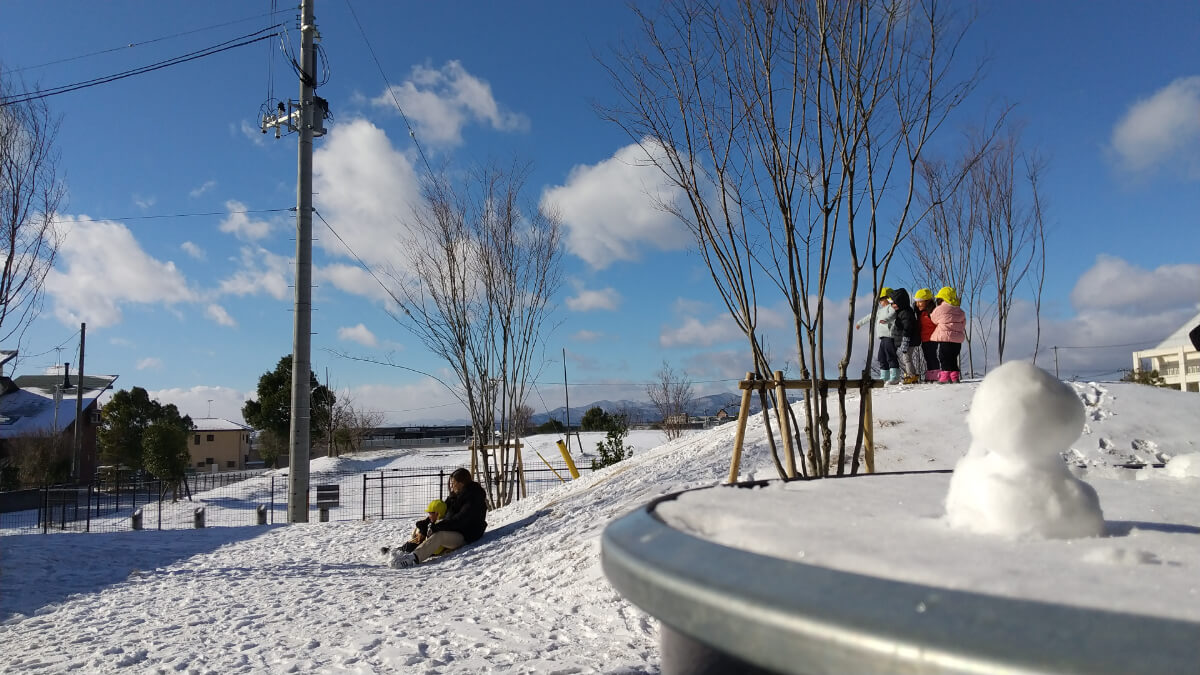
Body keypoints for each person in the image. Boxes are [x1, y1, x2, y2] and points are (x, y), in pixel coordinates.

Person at [389, 467, 488, 569]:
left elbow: (460, 520)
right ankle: (405, 550)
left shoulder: (474, 498)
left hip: (466, 534)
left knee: (439, 536)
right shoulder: (456, 495)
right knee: (423, 529)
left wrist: (437, 526)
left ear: (461, 483)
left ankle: (413, 558)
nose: (452, 486)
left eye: (453, 483)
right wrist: (426, 523)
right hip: (454, 528)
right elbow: (442, 510)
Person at [855, 287, 897, 382]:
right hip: (882, 338)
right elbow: (870, 316)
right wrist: (860, 323)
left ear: (888, 298)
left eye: (882, 299)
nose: (880, 302)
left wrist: (886, 320)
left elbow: (892, 315)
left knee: (890, 356)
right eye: (879, 300)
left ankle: (894, 376)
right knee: (881, 357)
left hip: (889, 336)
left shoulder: (892, 307)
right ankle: (884, 377)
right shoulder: (880, 310)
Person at [380, 499, 448, 557]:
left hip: (428, 549)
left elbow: (431, 541)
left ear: (436, 513)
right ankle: (399, 550)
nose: (429, 516)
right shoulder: (434, 521)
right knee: (414, 540)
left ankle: (399, 552)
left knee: (414, 543)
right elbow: (422, 524)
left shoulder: (439, 525)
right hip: (425, 546)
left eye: (430, 513)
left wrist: (423, 535)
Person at [930, 286, 967, 383]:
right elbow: (963, 323)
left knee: (944, 357)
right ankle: (954, 377)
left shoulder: (940, 309)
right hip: (957, 340)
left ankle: (945, 377)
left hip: (945, 339)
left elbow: (933, 319)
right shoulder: (959, 310)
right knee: (953, 358)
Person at [889, 288, 922, 385]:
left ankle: (911, 375)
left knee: (907, 358)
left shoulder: (906, 313)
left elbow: (907, 327)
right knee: (906, 358)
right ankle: (912, 375)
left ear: (900, 302)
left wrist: (905, 340)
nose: (892, 306)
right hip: (907, 339)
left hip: (909, 339)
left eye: (894, 303)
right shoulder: (901, 312)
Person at [913, 288, 940, 381]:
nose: (917, 304)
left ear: (927, 301)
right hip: (924, 339)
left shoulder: (933, 312)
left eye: (920, 302)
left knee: (932, 356)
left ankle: (936, 374)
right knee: (927, 356)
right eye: (916, 302)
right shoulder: (920, 313)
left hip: (932, 338)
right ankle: (930, 374)